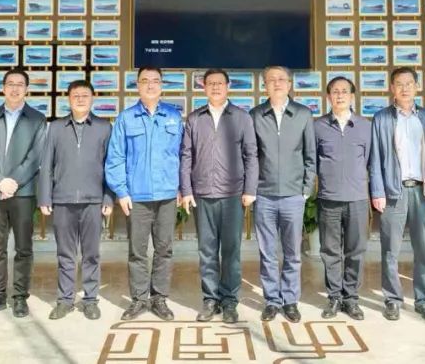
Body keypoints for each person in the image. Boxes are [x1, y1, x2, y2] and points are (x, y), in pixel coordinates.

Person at [180, 69, 258, 324]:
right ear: (203, 87)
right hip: (203, 194)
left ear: (228, 86)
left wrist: (250, 189)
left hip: (233, 194)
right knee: (207, 250)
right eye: (210, 83)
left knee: (232, 251)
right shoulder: (195, 118)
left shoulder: (242, 117)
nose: (215, 87)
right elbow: (186, 155)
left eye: (220, 83)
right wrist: (186, 190)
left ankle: (230, 301)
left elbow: (251, 155)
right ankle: (210, 299)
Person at [106, 66, 184, 321]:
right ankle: (139, 299)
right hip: (136, 196)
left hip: (167, 195)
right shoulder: (126, 118)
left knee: (164, 249)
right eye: (145, 81)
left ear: (162, 85)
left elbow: (183, 155)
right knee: (137, 251)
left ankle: (159, 298)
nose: (150, 85)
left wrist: (182, 187)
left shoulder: (173, 116)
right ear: (137, 85)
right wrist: (121, 191)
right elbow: (115, 157)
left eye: (155, 81)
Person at [368, 67, 425, 321]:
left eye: (409, 83)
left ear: (417, 86)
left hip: (422, 191)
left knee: (423, 249)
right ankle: (392, 299)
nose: (404, 88)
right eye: (399, 84)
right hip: (394, 191)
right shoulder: (382, 118)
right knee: (390, 249)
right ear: (392, 88)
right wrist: (377, 191)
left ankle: (423, 299)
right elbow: (376, 159)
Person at [0, 68, 47, 318]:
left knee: (24, 248)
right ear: (3, 88)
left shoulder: (37, 119)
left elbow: (36, 156)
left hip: (23, 193)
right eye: (10, 84)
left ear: (27, 89)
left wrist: (13, 182)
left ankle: (20, 297)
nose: (15, 88)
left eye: (20, 84)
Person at [39, 80, 114, 321]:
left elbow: (110, 166)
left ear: (92, 98)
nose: (80, 99)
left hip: (94, 201)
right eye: (75, 95)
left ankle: (90, 300)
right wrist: (45, 196)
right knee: (65, 254)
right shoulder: (56, 127)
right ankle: (65, 300)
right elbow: (46, 165)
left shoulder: (104, 127)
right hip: (63, 200)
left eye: (85, 95)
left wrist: (108, 197)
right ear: (68, 99)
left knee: (91, 254)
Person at [250, 65, 317, 323]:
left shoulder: (303, 114)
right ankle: (272, 301)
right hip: (264, 195)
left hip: (293, 196)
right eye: (271, 79)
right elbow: (250, 156)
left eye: (281, 79)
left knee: (293, 253)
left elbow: (310, 156)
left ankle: (290, 301)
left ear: (289, 84)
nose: (277, 83)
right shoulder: (256, 115)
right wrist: (252, 189)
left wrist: (305, 190)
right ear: (264, 85)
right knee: (267, 252)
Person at [313, 76, 371, 321]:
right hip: (329, 198)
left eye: (344, 91)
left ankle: (351, 298)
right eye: (335, 91)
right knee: (330, 251)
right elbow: (313, 161)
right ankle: (334, 297)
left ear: (352, 96)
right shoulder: (318, 126)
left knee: (356, 250)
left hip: (357, 199)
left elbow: (369, 161)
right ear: (328, 97)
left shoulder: (365, 126)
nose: (339, 95)